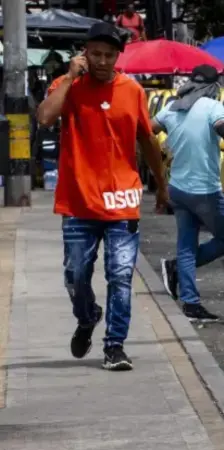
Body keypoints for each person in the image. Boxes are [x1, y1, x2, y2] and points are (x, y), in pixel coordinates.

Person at [36, 22, 167, 371]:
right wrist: (68, 78)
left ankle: (115, 347)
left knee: (121, 275)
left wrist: (162, 185)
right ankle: (87, 315)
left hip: (121, 201)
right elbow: (45, 117)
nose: (102, 61)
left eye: (109, 55)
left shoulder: (132, 90)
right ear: (84, 53)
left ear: (117, 57)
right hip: (78, 201)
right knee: (75, 274)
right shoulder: (68, 87)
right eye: (95, 53)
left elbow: (147, 141)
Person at [154, 65, 224, 322]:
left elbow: (147, 130)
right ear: (215, 87)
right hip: (204, 190)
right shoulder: (212, 106)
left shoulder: (172, 107)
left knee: (186, 245)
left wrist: (162, 155)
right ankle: (178, 274)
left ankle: (190, 302)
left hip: (178, 190)